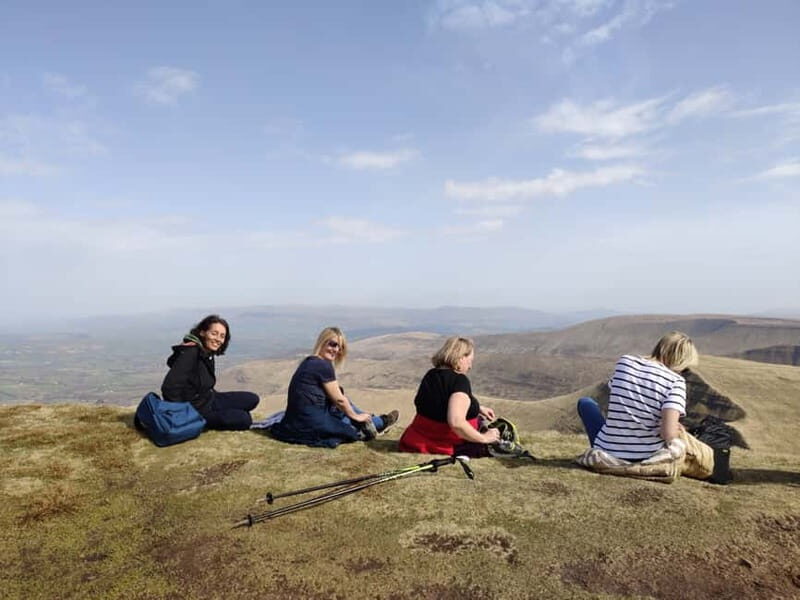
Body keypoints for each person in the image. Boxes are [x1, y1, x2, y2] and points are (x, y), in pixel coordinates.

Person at [575, 331, 714, 480]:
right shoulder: (675, 382)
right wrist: (674, 427)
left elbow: (621, 398)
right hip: (646, 456)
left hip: (607, 451)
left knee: (586, 403)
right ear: (680, 361)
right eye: (685, 368)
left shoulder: (625, 362)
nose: (682, 372)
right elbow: (667, 434)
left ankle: (611, 444)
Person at [270, 327, 399, 448]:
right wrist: (356, 416)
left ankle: (378, 420)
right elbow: (339, 400)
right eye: (332, 344)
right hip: (309, 423)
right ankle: (379, 422)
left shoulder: (309, 361)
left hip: (294, 421)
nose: (336, 350)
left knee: (343, 411)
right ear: (322, 342)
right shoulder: (322, 366)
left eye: (340, 347)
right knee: (349, 430)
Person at [399, 336, 500, 456]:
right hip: (449, 443)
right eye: (470, 360)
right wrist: (485, 438)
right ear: (461, 358)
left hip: (417, 439)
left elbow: (442, 400)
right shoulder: (459, 380)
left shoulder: (431, 375)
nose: (470, 366)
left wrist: (478, 408)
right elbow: (456, 422)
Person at [161, 314, 259, 430]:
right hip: (196, 411)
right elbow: (169, 387)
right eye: (214, 333)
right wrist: (182, 415)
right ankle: (204, 421)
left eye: (222, 336)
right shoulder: (190, 353)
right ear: (202, 333)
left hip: (210, 399)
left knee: (252, 399)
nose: (218, 339)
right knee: (244, 419)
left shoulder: (206, 353)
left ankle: (223, 411)